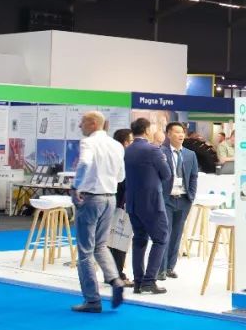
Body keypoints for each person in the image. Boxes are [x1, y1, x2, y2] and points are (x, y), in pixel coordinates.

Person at [70, 111, 127, 313]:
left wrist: (76, 186)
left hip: (91, 198)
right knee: (101, 245)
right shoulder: (116, 145)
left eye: (82, 122)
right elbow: (121, 177)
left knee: (85, 251)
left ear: (93, 123)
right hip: (110, 198)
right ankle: (115, 279)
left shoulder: (88, 143)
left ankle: (92, 300)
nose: (80, 126)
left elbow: (85, 163)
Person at [124, 117, 171, 294]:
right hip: (151, 202)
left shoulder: (128, 150)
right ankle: (149, 280)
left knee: (139, 239)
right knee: (161, 238)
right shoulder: (153, 150)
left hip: (133, 202)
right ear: (146, 130)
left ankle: (138, 281)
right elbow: (166, 174)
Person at [158, 121, 198, 281]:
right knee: (164, 233)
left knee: (176, 234)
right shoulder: (160, 152)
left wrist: (191, 195)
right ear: (168, 134)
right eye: (176, 132)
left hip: (183, 199)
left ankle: (170, 267)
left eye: (182, 132)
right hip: (166, 199)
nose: (181, 135)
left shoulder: (190, 154)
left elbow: (194, 176)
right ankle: (160, 269)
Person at [109, 129, 133, 281]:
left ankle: (113, 273)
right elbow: (123, 182)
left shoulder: (112, 156)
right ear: (125, 143)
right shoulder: (123, 159)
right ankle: (116, 274)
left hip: (111, 202)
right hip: (119, 203)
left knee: (113, 239)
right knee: (118, 239)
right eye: (131, 141)